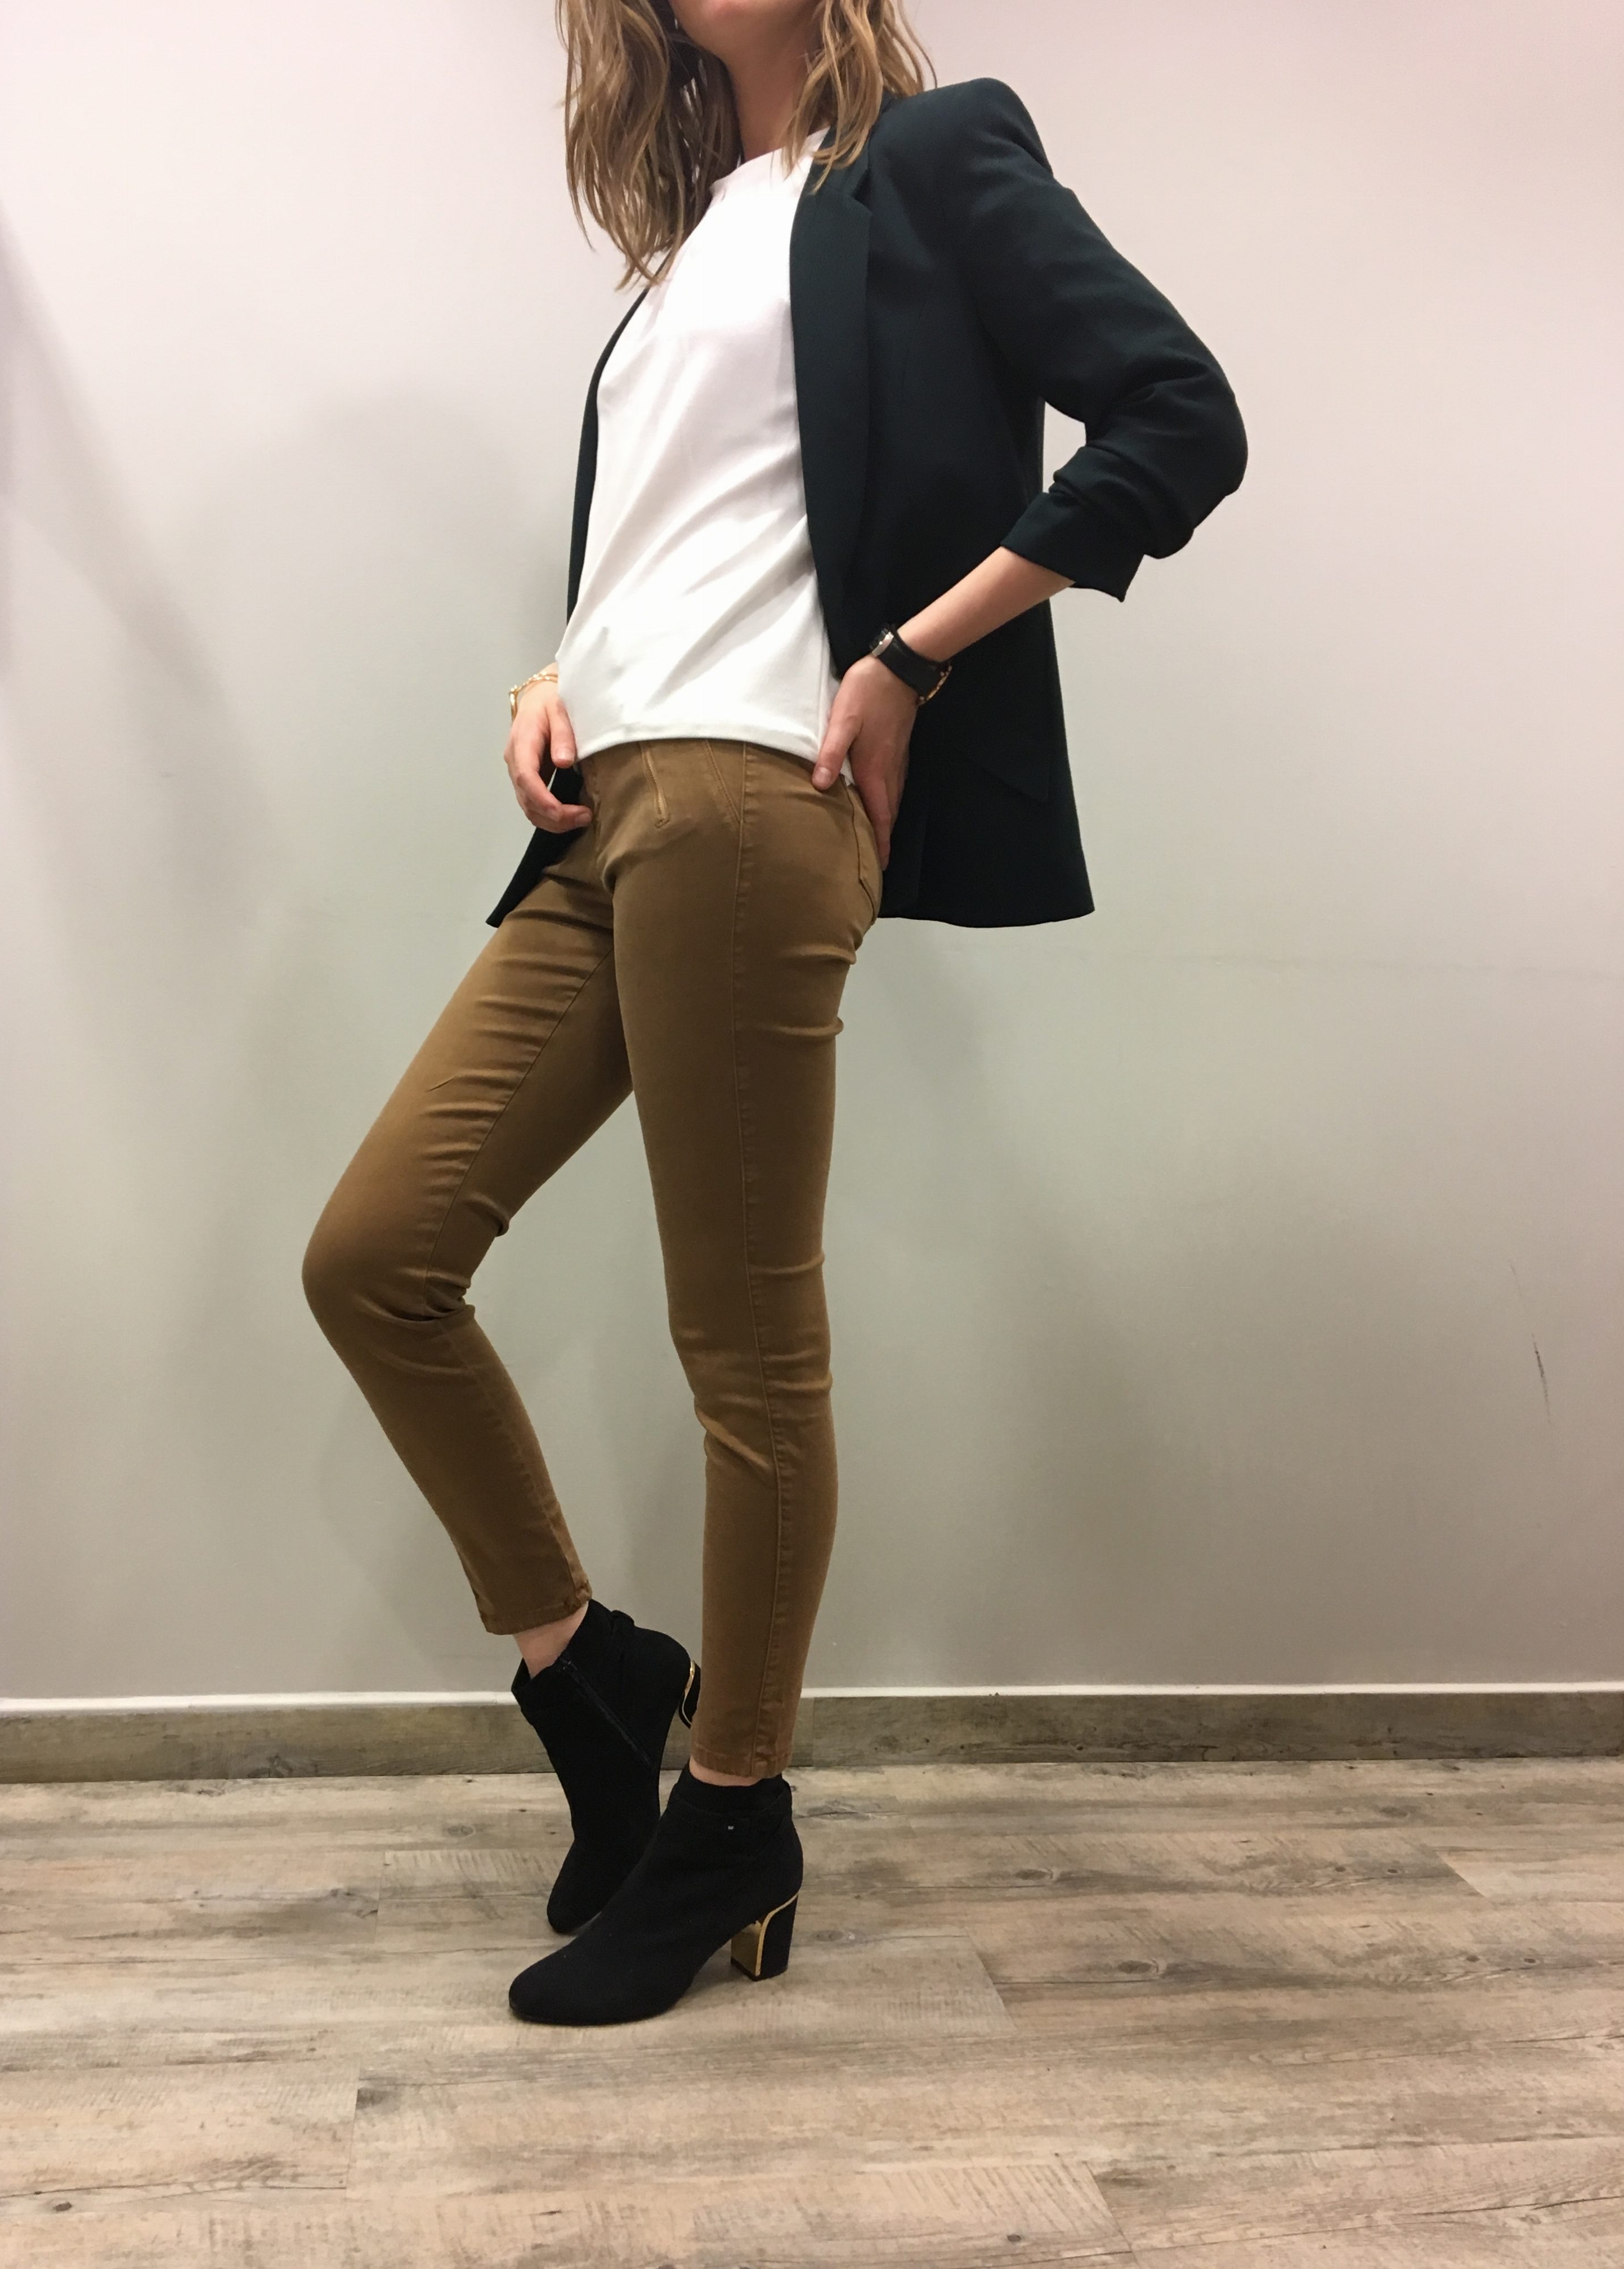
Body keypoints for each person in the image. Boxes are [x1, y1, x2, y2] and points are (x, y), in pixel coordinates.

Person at [302, 0, 1246, 2029]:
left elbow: (1180, 415)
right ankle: (591, 1667)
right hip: (603, 813)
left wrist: (910, 658)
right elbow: (690, 538)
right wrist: (551, 674)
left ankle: (733, 1805)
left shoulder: (928, 156)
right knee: (374, 1257)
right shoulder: (691, 238)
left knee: (742, 1347)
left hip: (756, 799)